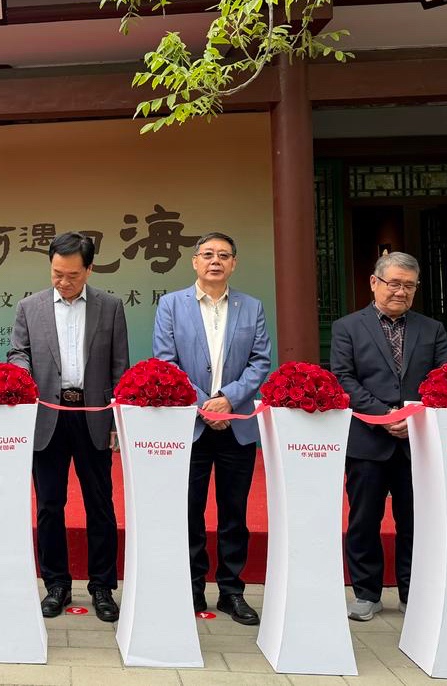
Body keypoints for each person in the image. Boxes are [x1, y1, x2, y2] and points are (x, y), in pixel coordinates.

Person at [7, 232, 129, 623]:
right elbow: (18, 352)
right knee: (49, 505)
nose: (64, 281)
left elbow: (119, 367)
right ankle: (56, 584)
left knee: (100, 505)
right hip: (48, 416)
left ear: (89, 269)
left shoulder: (110, 307)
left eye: (73, 275)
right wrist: (22, 373)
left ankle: (102, 587)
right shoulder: (30, 307)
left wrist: (116, 422)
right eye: (57, 273)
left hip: (93, 415)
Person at [152, 232, 271, 625]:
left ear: (234, 263)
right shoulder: (171, 305)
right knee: (189, 510)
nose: (215, 261)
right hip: (192, 426)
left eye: (223, 255)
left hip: (236, 425)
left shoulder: (251, 307)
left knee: (234, 512)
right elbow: (166, 361)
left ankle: (232, 591)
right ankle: (192, 588)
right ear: (194, 261)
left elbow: (260, 361)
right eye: (207, 254)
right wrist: (204, 404)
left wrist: (228, 399)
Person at [331, 251, 447, 621]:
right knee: (364, 519)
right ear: (374, 282)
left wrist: (411, 417)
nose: (401, 291)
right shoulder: (348, 327)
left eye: (409, 286)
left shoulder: (432, 329)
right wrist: (384, 416)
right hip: (368, 439)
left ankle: (413, 592)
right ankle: (366, 593)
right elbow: (344, 378)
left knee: (415, 521)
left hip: (417, 442)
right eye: (394, 283)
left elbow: (444, 378)